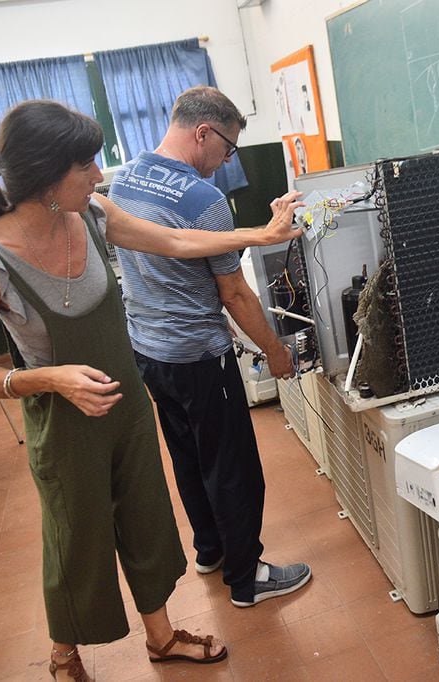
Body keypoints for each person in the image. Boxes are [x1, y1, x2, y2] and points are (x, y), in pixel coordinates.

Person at [0, 100, 302, 680]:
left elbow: (177, 241)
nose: (99, 174)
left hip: (127, 407)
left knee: (148, 521)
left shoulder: (91, 212)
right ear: (45, 175)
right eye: (86, 164)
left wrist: (262, 233)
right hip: (64, 424)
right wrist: (50, 379)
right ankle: (65, 655)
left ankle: (161, 637)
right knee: (77, 539)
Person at [108, 85, 312, 609]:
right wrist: (275, 350)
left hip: (149, 352)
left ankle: (211, 550)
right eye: (227, 149)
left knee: (188, 456)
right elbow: (236, 294)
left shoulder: (123, 176)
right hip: (200, 355)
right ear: (203, 132)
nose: (225, 161)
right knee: (233, 468)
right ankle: (248, 579)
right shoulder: (205, 200)